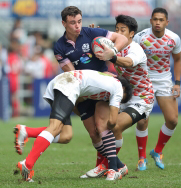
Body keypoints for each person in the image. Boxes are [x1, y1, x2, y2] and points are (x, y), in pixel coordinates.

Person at [14, 6, 128, 156]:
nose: (77, 26)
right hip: (83, 90)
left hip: (102, 87)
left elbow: (123, 38)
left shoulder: (91, 33)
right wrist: (97, 75)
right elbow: (73, 74)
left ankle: (109, 166)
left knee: (102, 127)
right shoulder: (59, 47)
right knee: (92, 134)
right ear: (64, 23)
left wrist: (112, 52)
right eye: (73, 22)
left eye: (79, 21)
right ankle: (106, 165)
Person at [16, 70, 133, 182]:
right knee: (55, 128)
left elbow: (77, 106)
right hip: (69, 84)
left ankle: (26, 132)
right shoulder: (118, 88)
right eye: (120, 100)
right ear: (123, 90)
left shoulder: (103, 82)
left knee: (63, 134)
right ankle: (28, 164)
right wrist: (107, 126)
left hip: (59, 82)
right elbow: (112, 122)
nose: (115, 101)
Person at [82, 14, 154, 178]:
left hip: (141, 98)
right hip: (122, 94)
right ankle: (103, 166)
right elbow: (100, 45)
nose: (119, 32)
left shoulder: (135, 49)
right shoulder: (114, 45)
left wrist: (112, 56)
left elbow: (128, 62)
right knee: (100, 126)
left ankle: (109, 166)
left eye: (123, 30)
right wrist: (94, 36)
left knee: (114, 126)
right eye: (117, 30)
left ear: (131, 34)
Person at [133, 7, 181, 170]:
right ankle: (142, 158)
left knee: (173, 120)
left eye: (161, 20)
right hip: (144, 80)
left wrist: (177, 83)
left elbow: (178, 60)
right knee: (141, 120)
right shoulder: (140, 37)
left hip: (164, 81)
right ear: (151, 21)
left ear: (167, 22)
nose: (158, 22)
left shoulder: (174, 38)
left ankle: (157, 151)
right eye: (155, 19)